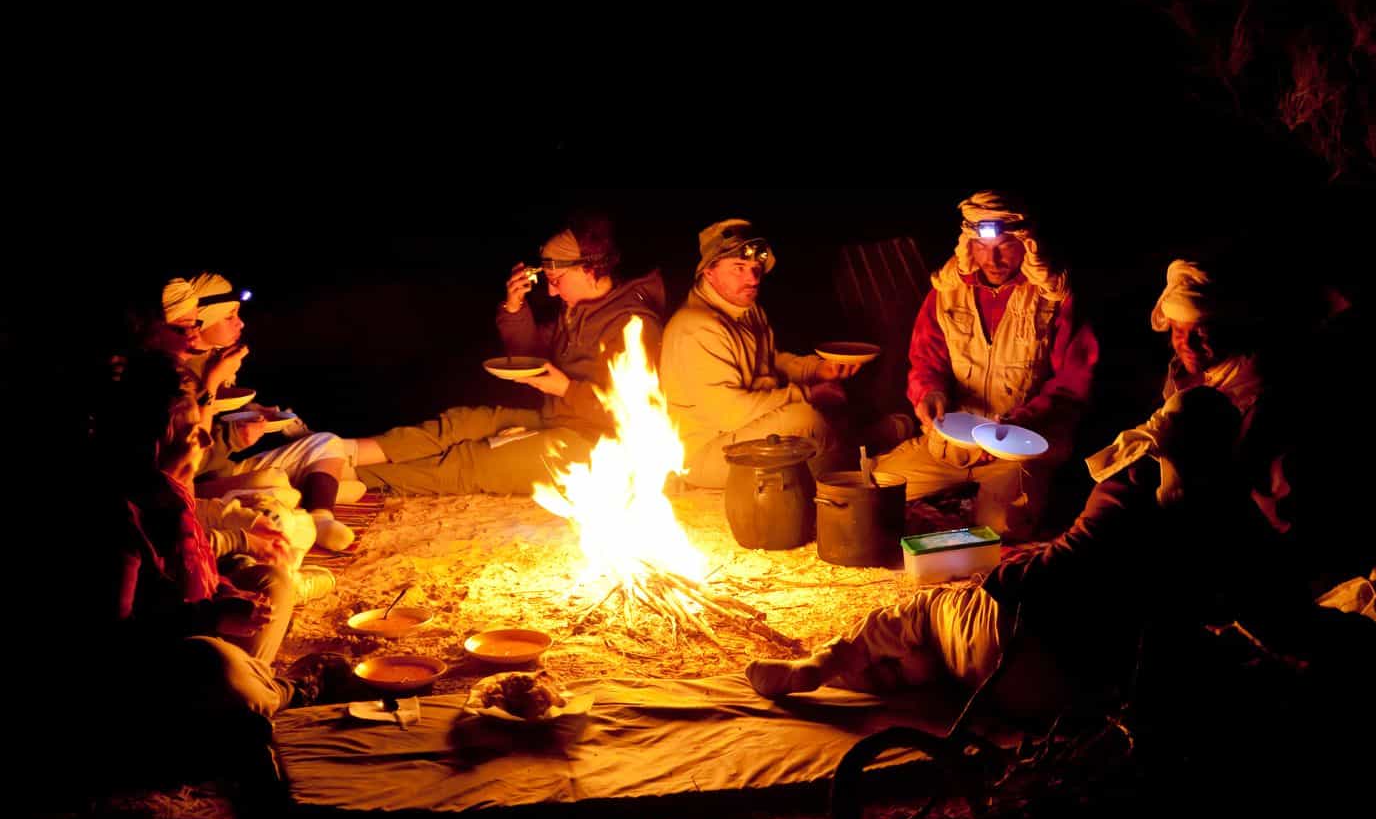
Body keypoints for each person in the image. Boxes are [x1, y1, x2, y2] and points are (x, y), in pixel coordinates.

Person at [747, 387, 1307, 718]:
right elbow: (1280, 617)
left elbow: (1052, 578)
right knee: (935, 655)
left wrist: (1000, 574)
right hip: (1094, 696)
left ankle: (823, 662)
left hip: (1027, 659)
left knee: (929, 605)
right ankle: (899, 670)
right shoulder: (1233, 518)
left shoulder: (1124, 492)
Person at [87, 352, 357, 751]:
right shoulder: (118, 515)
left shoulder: (171, 491)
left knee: (273, 583)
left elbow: (191, 574)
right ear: (152, 441)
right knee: (212, 662)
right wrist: (210, 615)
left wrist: (229, 594)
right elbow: (115, 641)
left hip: (186, 632)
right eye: (192, 431)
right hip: (142, 675)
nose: (208, 440)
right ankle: (283, 693)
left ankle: (244, 701)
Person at [352, 214, 667, 495]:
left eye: (557, 281)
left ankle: (347, 476)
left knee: (473, 462)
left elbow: (638, 416)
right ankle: (338, 452)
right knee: (459, 424)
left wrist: (566, 389)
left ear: (589, 269)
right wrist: (515, 308)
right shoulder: (578, 308)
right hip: (557, 417)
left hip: (601, 447)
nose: (552, 292)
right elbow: (530, 358)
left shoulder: (633, 324)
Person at [872, 191, 1099, 541]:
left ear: (1026, 243)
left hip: (1018, 450)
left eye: (1004, 245)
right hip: (949, 446)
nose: (992, 259)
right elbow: (925, 359)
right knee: (875, 491)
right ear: (969, 245)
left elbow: (1072, 383)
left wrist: (1022, 419)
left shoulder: (1053, 298)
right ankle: (951, 507)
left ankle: (975, 515)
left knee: (1001, 527)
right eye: (981, 246)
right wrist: (928, 392)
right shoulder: (947, 291)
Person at [660, 218, 871, 488]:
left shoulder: (746, 309)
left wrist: (816, 369)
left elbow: (769, 362)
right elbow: (731, 413)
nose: (752, 279)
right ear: (709, 272)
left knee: (829, 410)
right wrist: (808, 392)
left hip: (741, 433)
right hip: (704, 454)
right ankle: (852, 474)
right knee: (805, 419)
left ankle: (855, 453)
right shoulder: (696, 327)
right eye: (738, 268)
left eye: (755, 268)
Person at [161, 274, 359, 552]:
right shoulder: (174, 374)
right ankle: (314, 501)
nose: (240, 323)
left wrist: (253, 412)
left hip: (222, 467)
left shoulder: (212, 359)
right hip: (193, 482)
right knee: (278, 487)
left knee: (326, 442)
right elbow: (188, 458)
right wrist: (232, 434)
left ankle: (320, 515)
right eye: (229, 316)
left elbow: (216, 416)